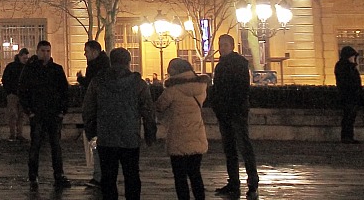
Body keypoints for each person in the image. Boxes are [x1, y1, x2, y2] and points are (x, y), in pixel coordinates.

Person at [83, 47, 156, 200]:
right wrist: (150, 133)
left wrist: (91, 132)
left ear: (111, 61)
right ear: (129, 62)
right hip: (130, 137)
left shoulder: (98, 81)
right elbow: (148, 111)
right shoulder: (139, 84)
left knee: (108, 179)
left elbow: (89, 109)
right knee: (132, 176)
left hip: (106, 137)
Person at [18, 40, 72, 189]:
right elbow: (23, 91)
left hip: (53, 113)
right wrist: (30, 111)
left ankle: (58, 174)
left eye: (48, 51)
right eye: (43, 51)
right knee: (36, 145)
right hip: (38, 113)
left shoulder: (56, 69)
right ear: (37, 51)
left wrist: (62, 111)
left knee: (55, 145)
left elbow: (64, 92)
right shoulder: (30, 70)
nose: (46, 54)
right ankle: (33, 174)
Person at [210, 34, 257, 198]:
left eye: (225, 45)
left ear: (231, 46)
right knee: (230, 149)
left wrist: (231, 107)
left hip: (235, 112)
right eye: (220, 45)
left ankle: (252, 181)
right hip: (225, 112)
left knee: (243, 147)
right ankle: (234, 182)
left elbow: (242, 90)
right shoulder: (221, 65)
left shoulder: (238, 64)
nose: (222, 48)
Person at [155, 57, 209, 200]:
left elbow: (159, 106)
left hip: (178, 136)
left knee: (180, 177)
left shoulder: (172, 90)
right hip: (197, 134)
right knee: (195, 173)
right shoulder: (201, 87)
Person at [78, 40, 110, 188]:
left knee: (97, 144)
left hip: (98, 112)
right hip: (102, 111)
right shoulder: (101, 64)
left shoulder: (97, 67)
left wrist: (81, 80)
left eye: (86, 51)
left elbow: (92, 87)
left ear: (95, 52)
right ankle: (103, 176)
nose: (85, 54)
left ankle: (100, 177)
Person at [335, 45, 363, 143]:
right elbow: (345, 81)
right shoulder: (342, 66)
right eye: (352, 56)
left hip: (352, 96)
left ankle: (349, 136)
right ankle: (346, 137)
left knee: (351, 117)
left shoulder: (351, 66)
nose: (353, 58)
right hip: (347, 96)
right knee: (348, 116)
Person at [1, 48, 28, 142]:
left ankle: (19, 134)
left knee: (21, 115)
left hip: (22, 95)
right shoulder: (12, 67)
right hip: (13, 94)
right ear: (20, 56)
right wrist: (9, 91)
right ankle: (13, 134)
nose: (26, 60)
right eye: (24, 58)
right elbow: (5, 79)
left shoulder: (24, 67)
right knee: (13, 114)